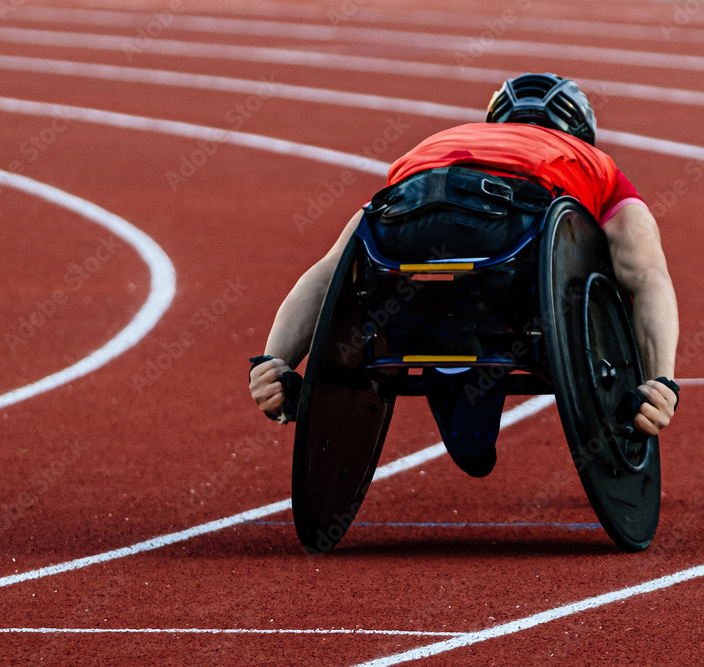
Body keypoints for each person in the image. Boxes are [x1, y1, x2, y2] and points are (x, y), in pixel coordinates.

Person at [249, 73, 679, 475]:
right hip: (517, 225)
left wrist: (275, 360)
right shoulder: (594, 162)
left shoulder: (443, 142)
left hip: (408, 209)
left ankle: (447, 334)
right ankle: (489, 336)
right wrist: (660, 382)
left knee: (373, 268)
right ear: (580, 131)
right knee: (604, 275)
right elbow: (647, 275)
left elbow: (331, 272)